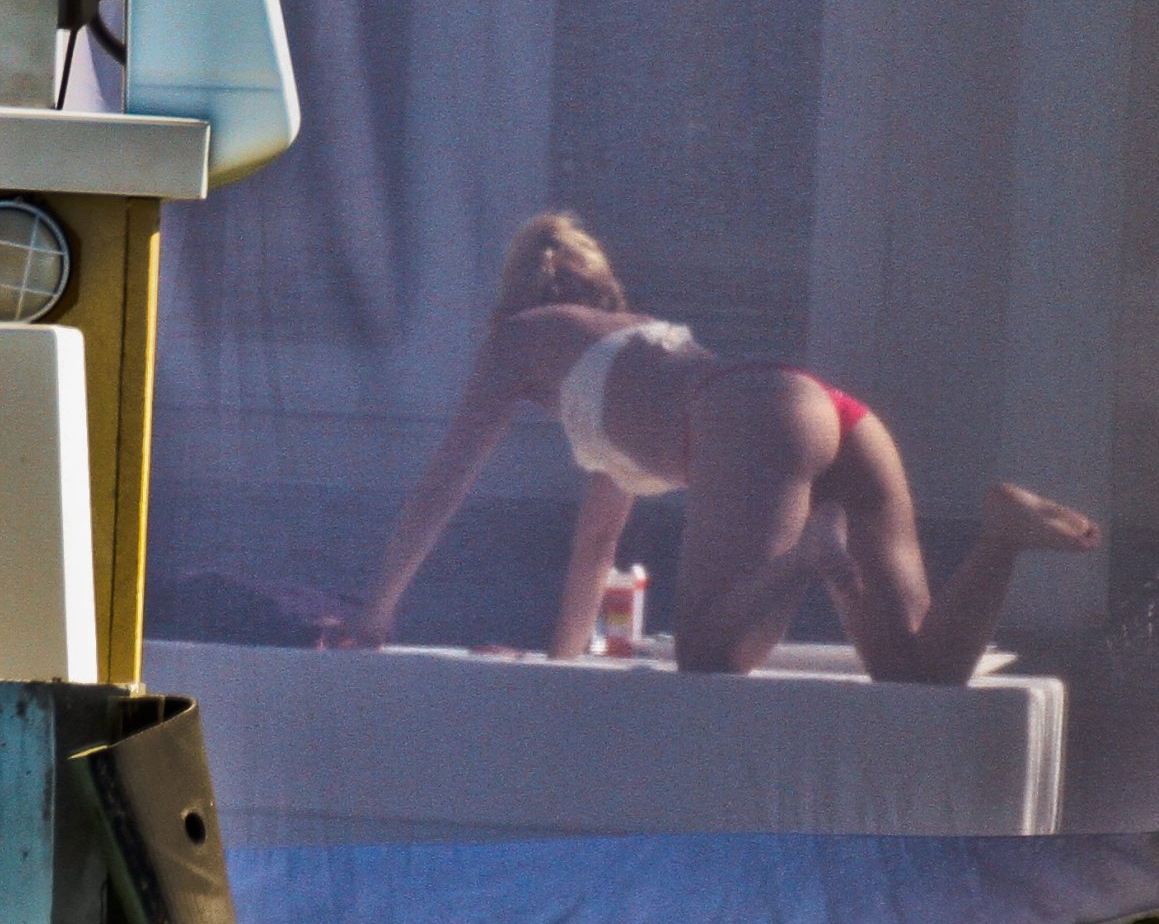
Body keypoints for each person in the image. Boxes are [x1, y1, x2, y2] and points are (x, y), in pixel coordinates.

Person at [338, 212, 1101, 681]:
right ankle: (1000, 539)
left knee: (709, 658)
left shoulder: (518, 338)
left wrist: (376, 612)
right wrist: (562, 671)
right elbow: (596, 541)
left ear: (515, 295)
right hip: (827, 409)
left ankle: (809, 553)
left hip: (755, 418)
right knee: (919, 673)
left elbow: (445, 481)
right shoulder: (627, 361)